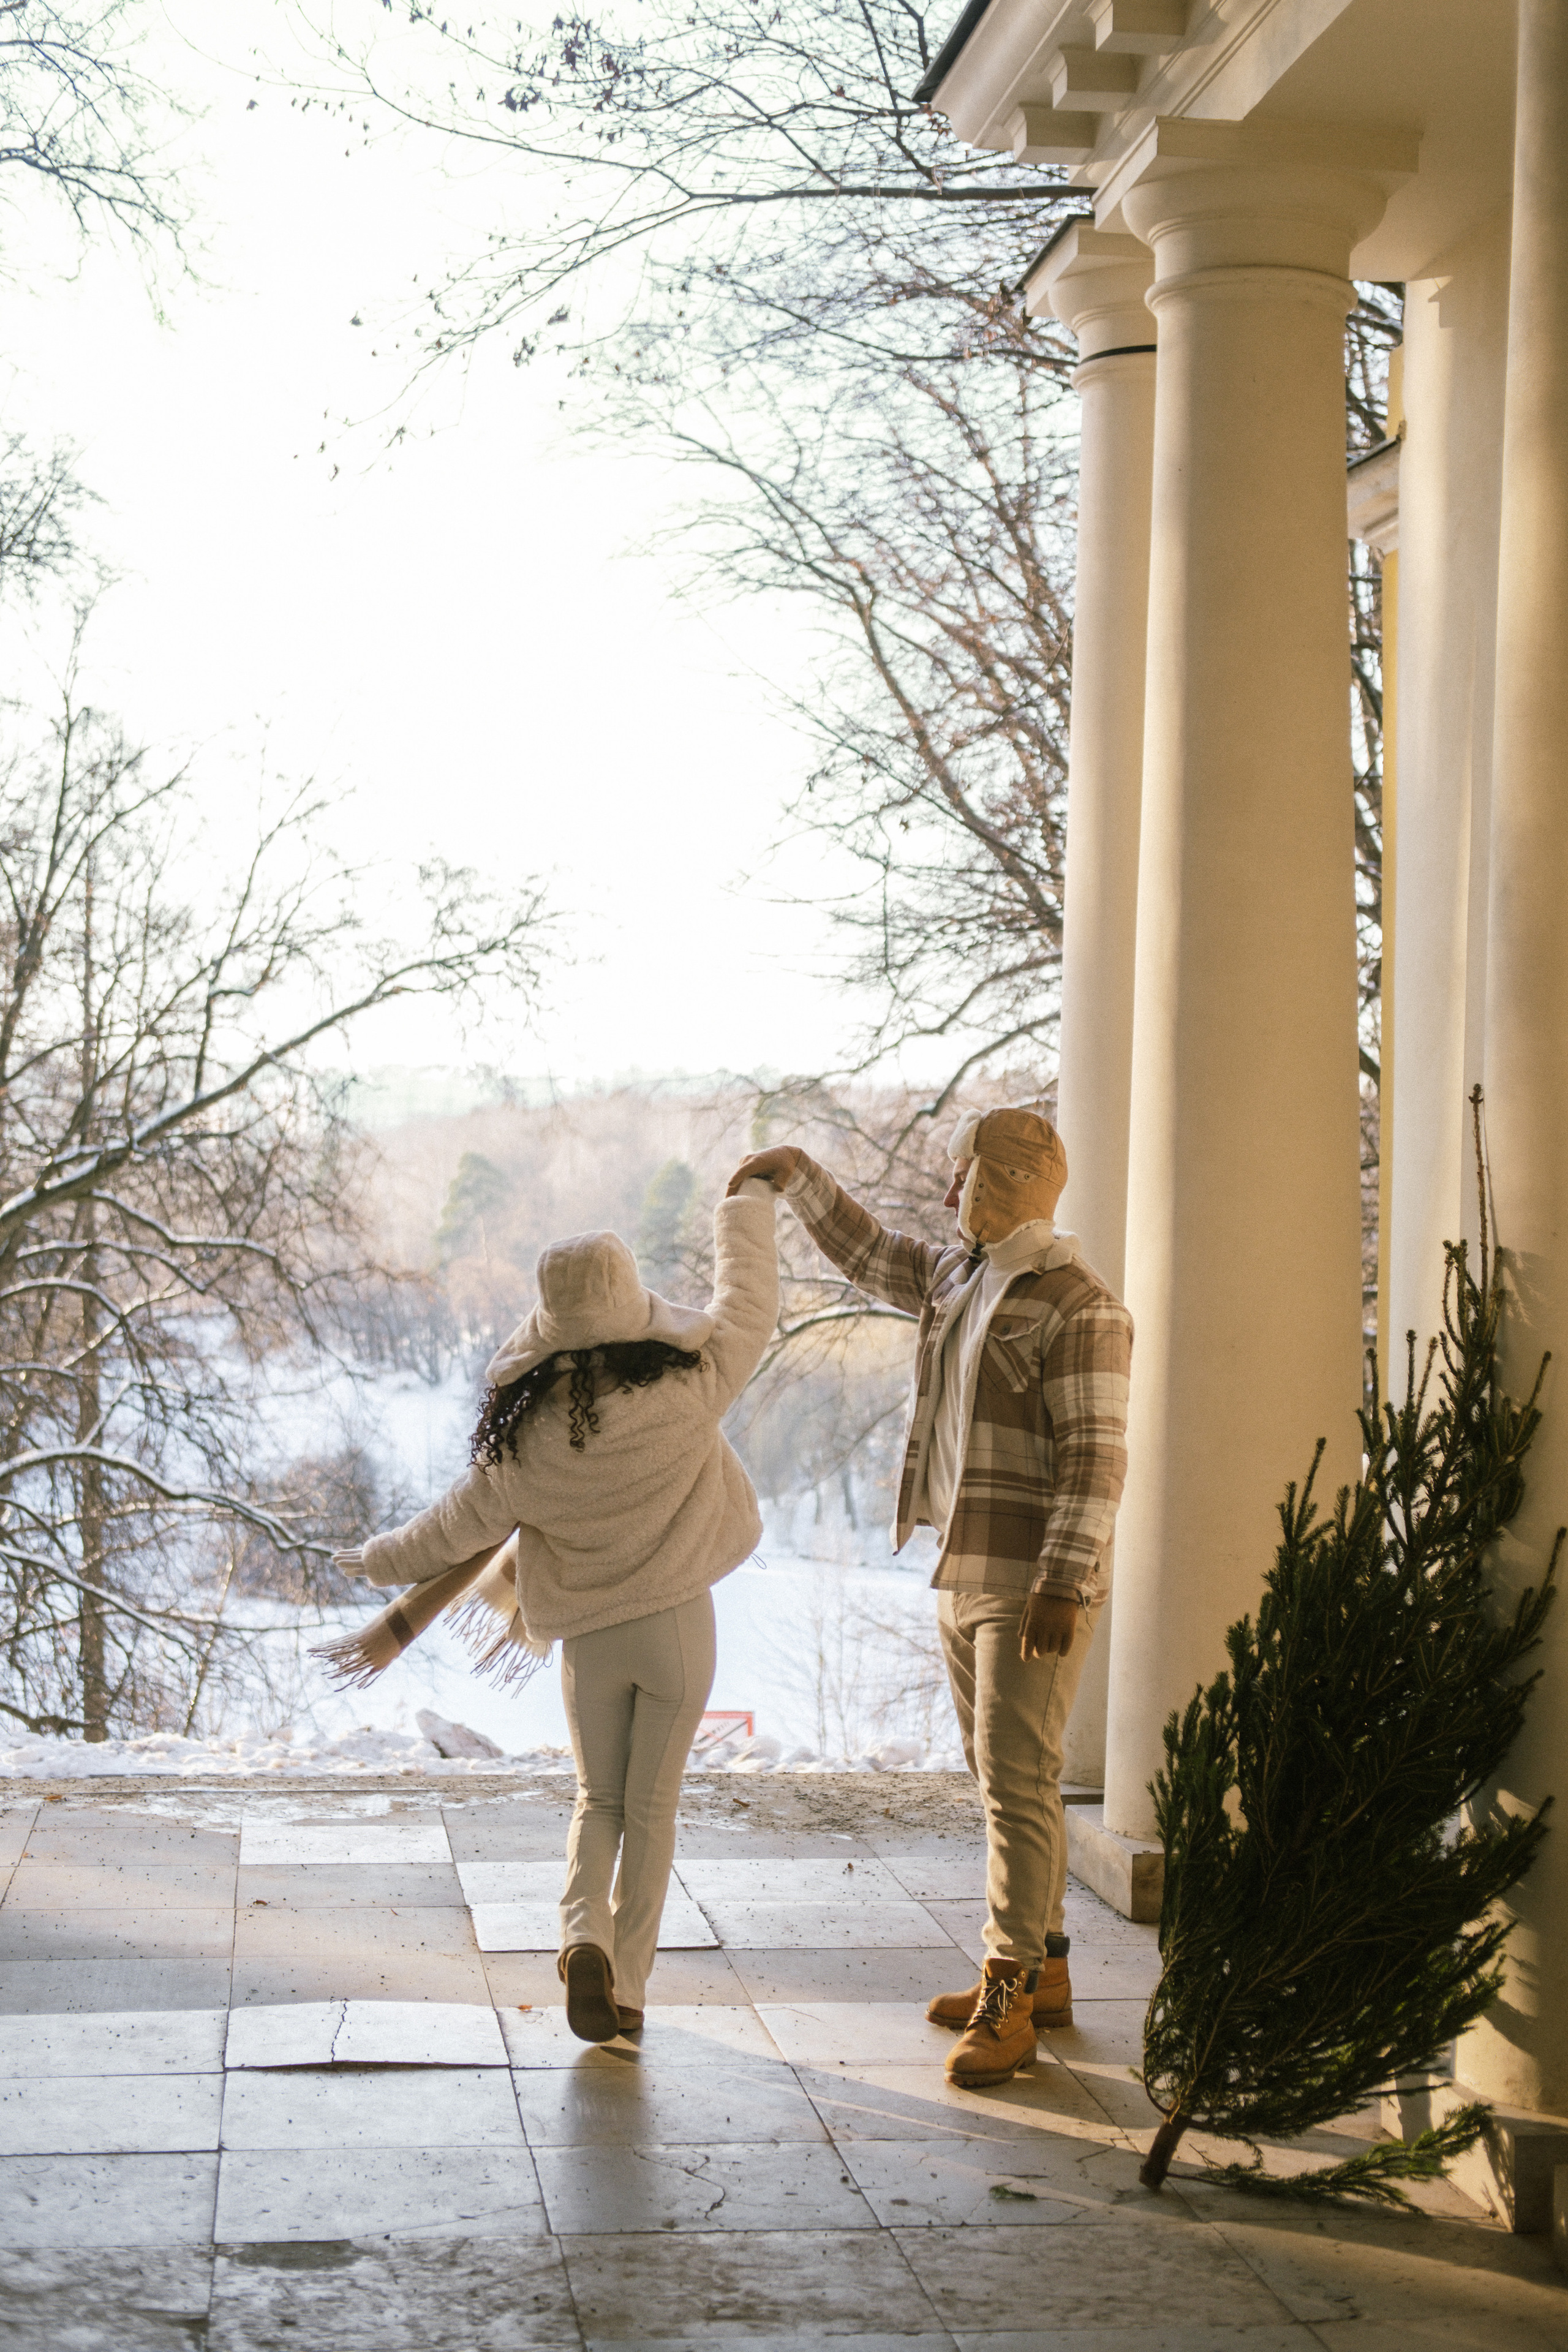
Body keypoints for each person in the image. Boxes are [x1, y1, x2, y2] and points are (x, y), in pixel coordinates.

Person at [728, 1107, 1131, 2089]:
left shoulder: (1085, 1307)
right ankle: (1048, 1973)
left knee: (1016, 1781)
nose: (950, 1196)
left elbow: (1096, 1458)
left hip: (1031, 1581)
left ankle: (1010, 1993)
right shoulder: (958, 1278)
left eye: (963, 1179)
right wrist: (800, 1177)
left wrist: (1064, 1583)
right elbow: (873, 1254)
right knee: (1003, 1778)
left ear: (1002, 1184)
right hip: (961, 1562)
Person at [331, 1181, 779, 2043]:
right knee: (653, 1809)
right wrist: (747, 1203)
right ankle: (633, 1989)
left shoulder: (525, 1443)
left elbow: (443, 1534)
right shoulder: (694, 1386)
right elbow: (749, 1299)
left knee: (596, 1800)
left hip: (588, 1644)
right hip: (677, 1632)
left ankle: (582, 1940)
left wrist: (372, 1560)